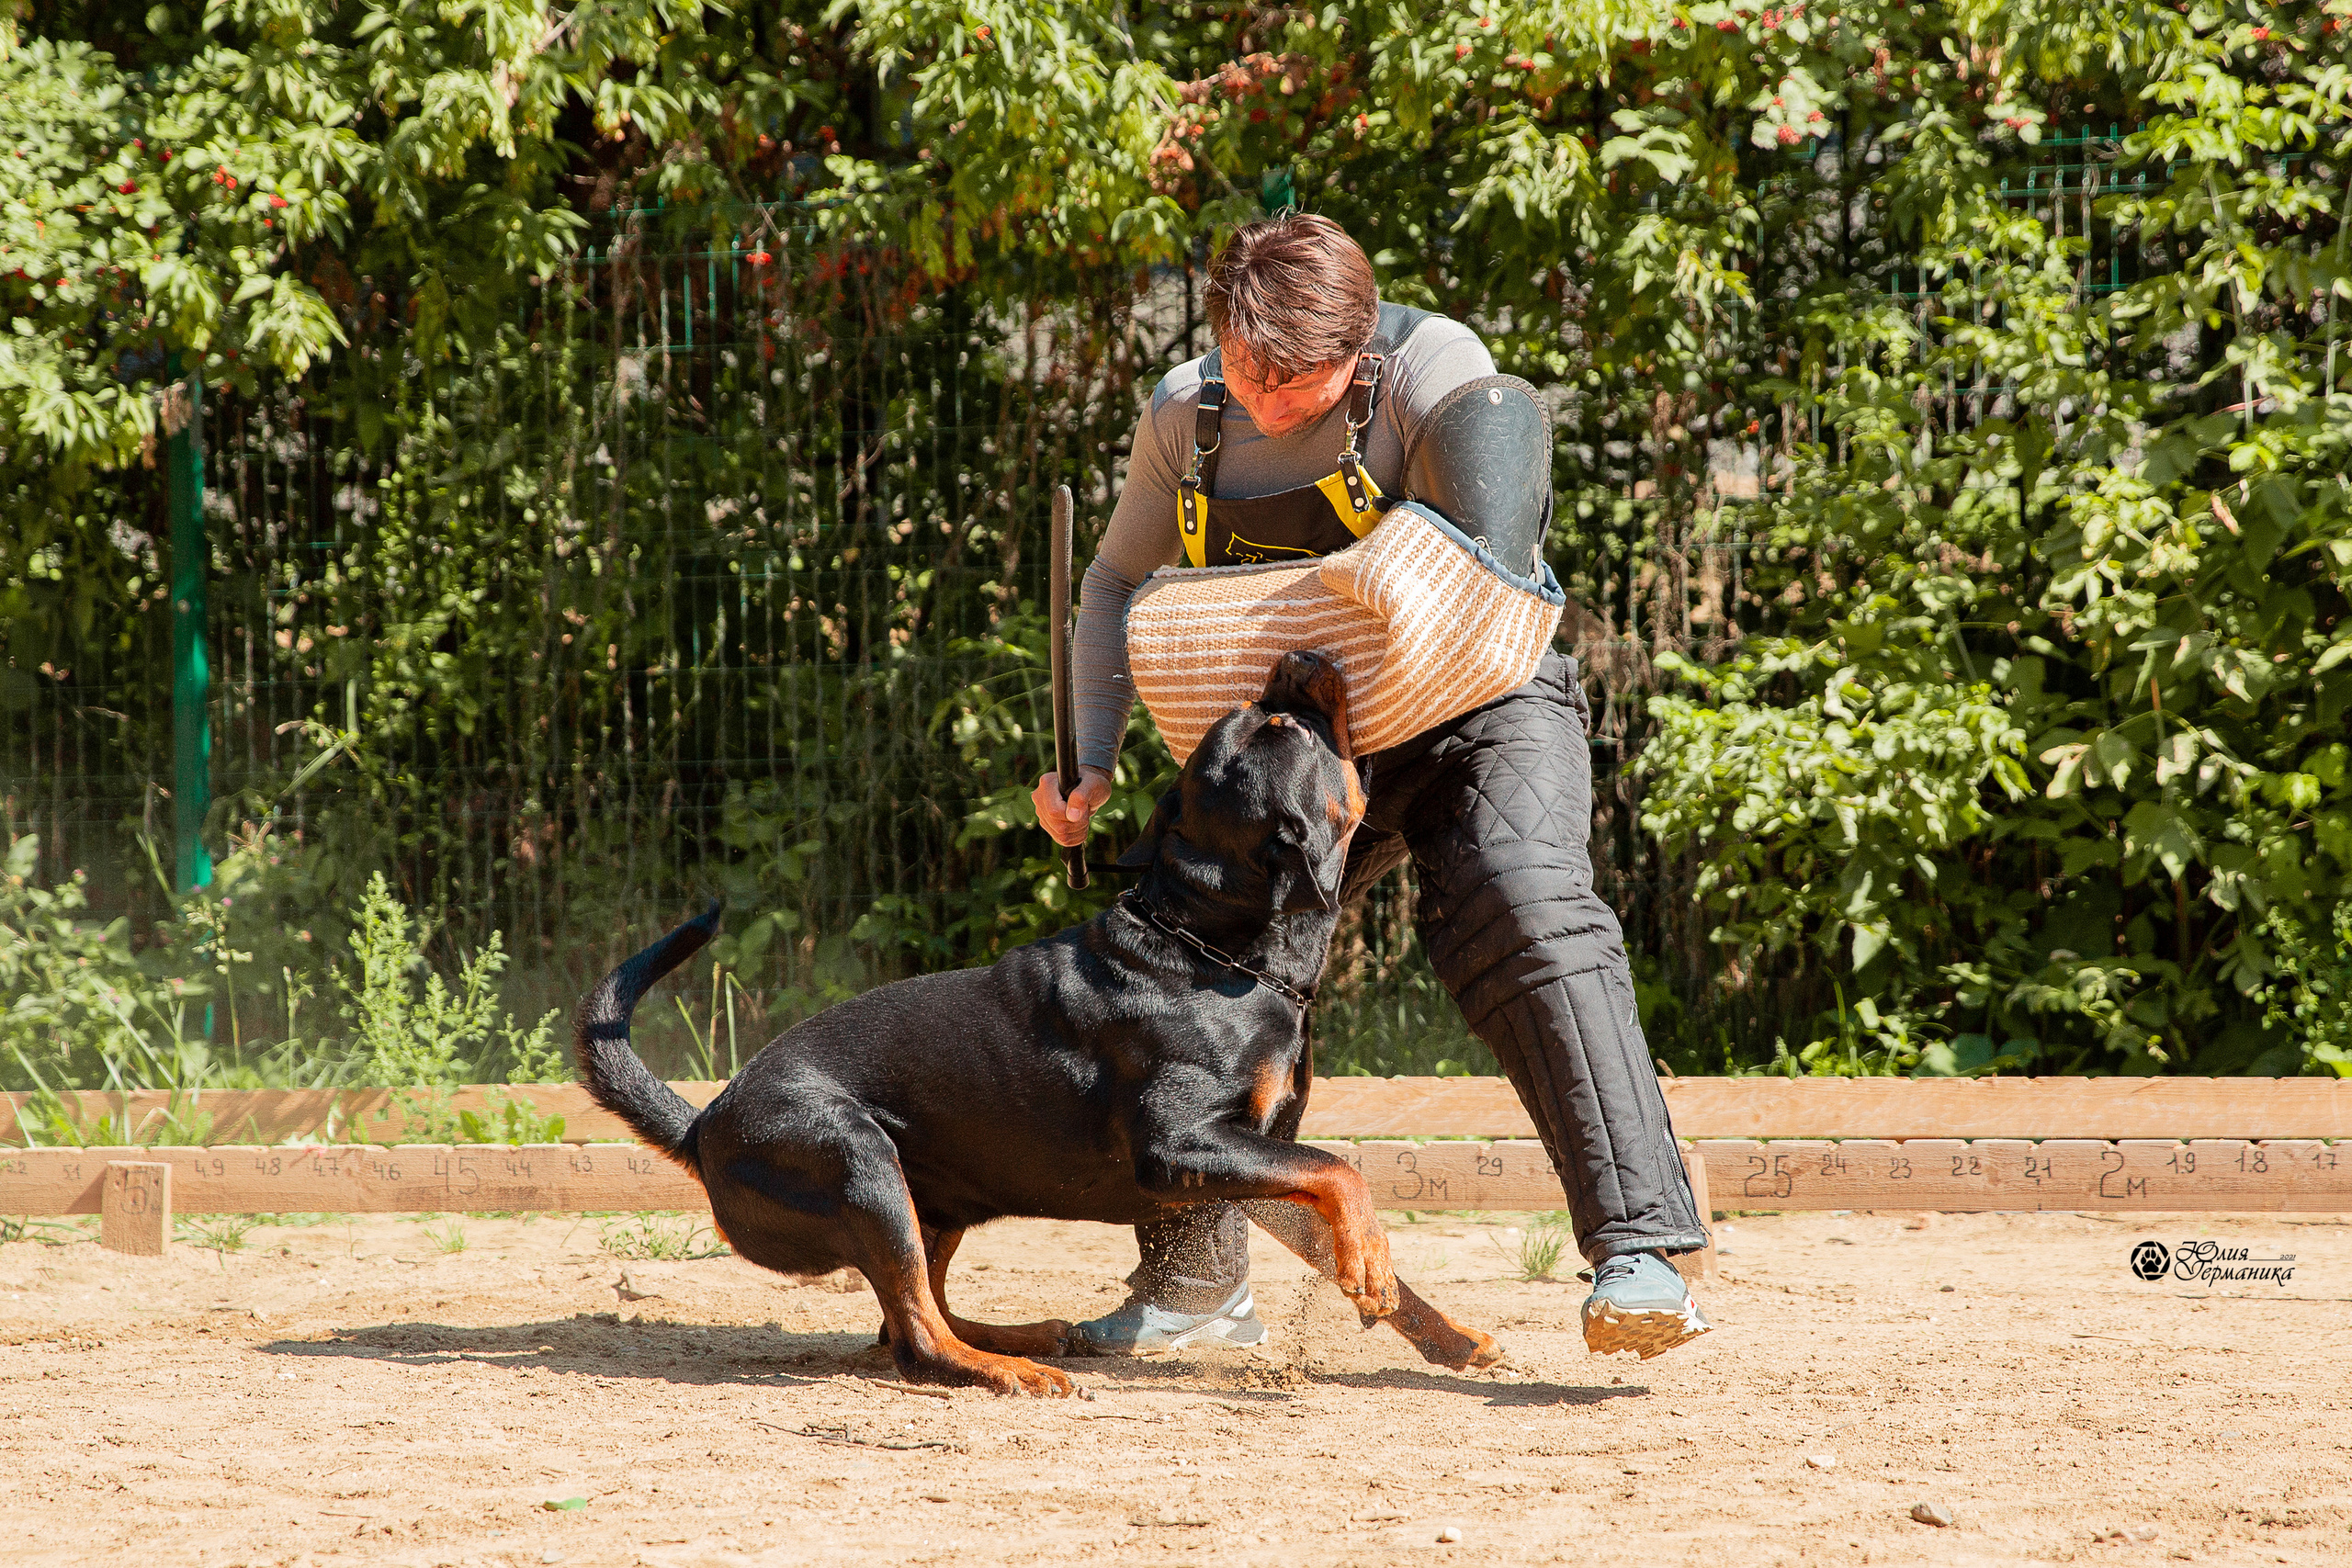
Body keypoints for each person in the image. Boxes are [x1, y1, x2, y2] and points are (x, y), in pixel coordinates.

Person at [1031, 213, 1713, 1360]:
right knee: (1181, 945)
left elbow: (1495, 548)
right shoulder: (1182, 417)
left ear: (1361, 348)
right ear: (1219, 336)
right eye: (1249, 369)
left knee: (1522, 908)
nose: (1272, 396)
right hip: (1306, 740)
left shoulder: (1434, 372)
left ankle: (1638, 1252)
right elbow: (1111, 583)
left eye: (1303, 377)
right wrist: (1087, 758)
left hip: (1478, 701)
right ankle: (1195, 1289)